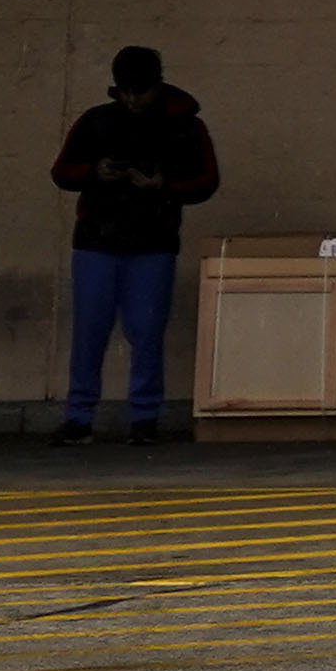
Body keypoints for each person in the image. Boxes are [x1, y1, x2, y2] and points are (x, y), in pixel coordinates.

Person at [49, 46, 219, 443]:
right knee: (110, 332)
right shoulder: (173, 123)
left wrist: (108, 176)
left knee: (134, 332)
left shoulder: (179, 125)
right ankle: (128, 417)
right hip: (129, 240)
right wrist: (158, 185)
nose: (130, 99)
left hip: (131, 241)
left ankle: (103, 417)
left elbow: (207, 181)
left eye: (137, 92)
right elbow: (62, 172)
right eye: (124, 91)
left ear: (156, 87)